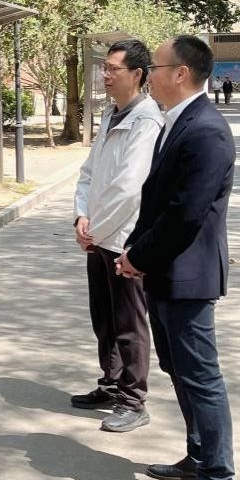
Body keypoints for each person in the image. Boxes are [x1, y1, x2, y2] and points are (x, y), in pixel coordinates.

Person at [115, 35, 238, 480]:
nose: (150, 74)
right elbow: (157, 201)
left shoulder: (206, 130)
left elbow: (186, 213)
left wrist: (140, 257)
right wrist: (134, 250)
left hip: (188, 274)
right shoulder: (178, 120)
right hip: (165, 270)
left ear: (181, 73)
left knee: (202, 377)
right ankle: (199, 458)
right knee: (181, 371)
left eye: (156, 66)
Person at [71, 40, 162, 432]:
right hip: (97, 235)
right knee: (104, 319)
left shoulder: (146, 120)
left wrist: (96, 230)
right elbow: (89, 172)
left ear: (137, 74)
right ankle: (110, 384)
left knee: (129, 323)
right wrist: (81, 216)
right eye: (104, 68)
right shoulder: (111, 114)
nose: (105, 75)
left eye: (113, 69)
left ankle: (133, 400)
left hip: (124, 238)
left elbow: (129, 187)